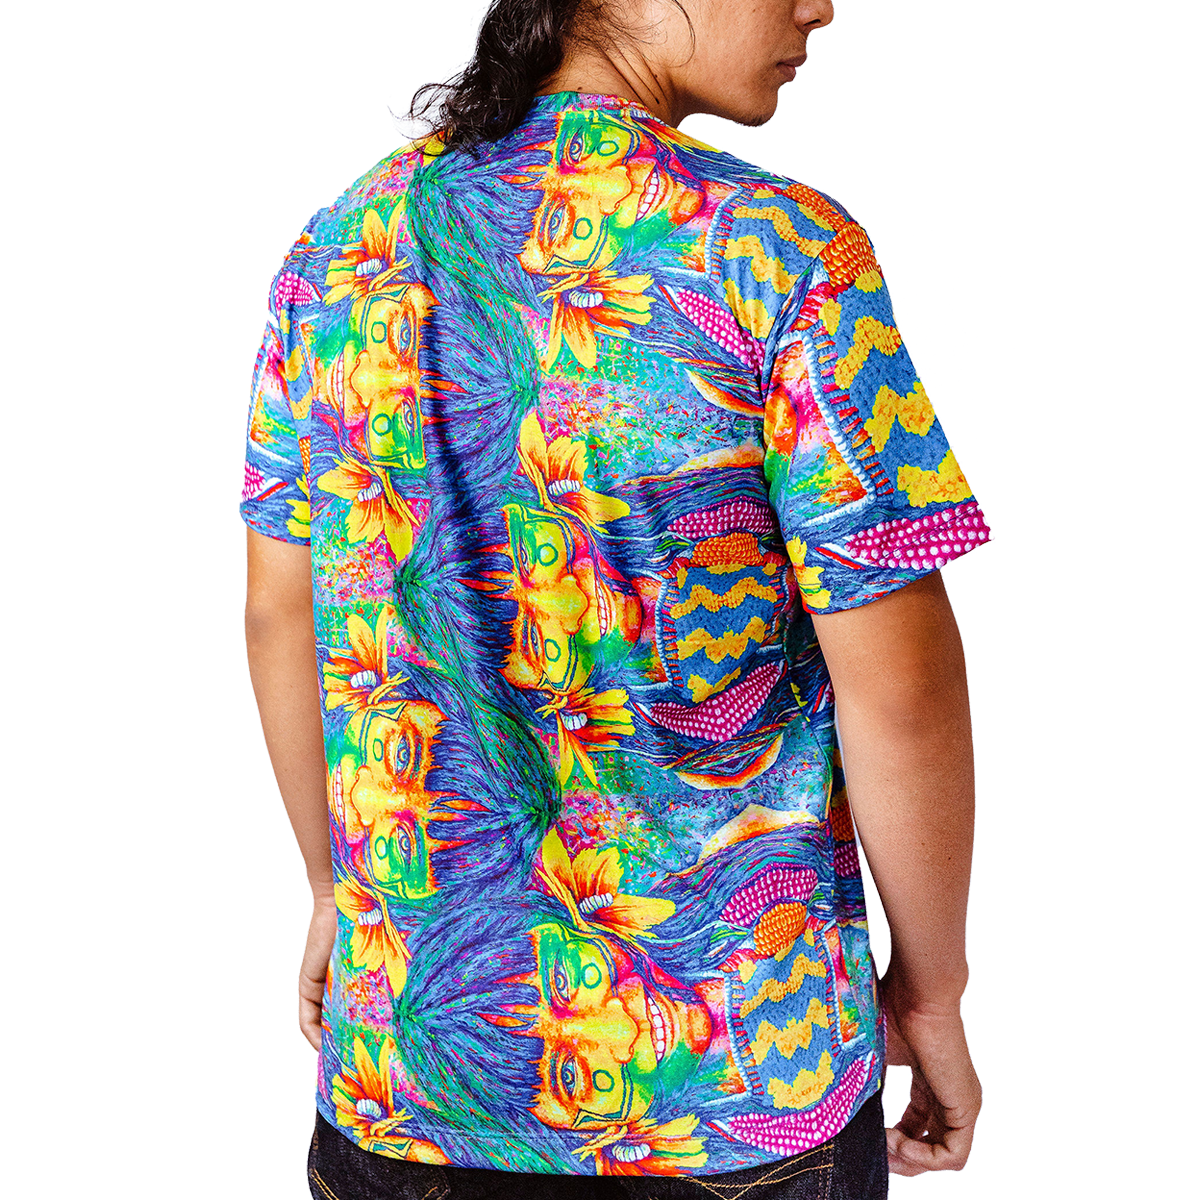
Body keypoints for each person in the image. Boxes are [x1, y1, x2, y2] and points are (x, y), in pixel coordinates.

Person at [242, 2, 987, 1197]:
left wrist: (337, 896)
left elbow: (283, 613)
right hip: (732, 1093)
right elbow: (899, 683)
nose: (820, 6)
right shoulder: (775, 251)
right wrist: (934, 991)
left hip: (408, 1080)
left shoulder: (342, 247)